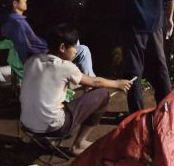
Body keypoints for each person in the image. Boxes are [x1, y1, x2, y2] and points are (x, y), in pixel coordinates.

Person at [20, 24, 133, 156]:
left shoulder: (32, 60)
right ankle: (79, 145)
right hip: (54, 128)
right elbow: (95, 81)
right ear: (62, 47)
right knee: (102, 94)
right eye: (74, 47)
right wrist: (117, 83)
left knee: (57, 99)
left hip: (27, 125)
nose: (76, 51)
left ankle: (45, 139)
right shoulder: (65, 66)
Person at [0, 0, 95, 76]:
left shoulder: (12, 20)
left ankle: (80, 78)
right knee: (83, 50)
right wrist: (49, 52)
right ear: (15, 3)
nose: (25, 0)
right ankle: (90, 82)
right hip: (43, 56)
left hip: (43, 51)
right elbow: (26, 50)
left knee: (73, 41)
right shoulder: (17, 24)